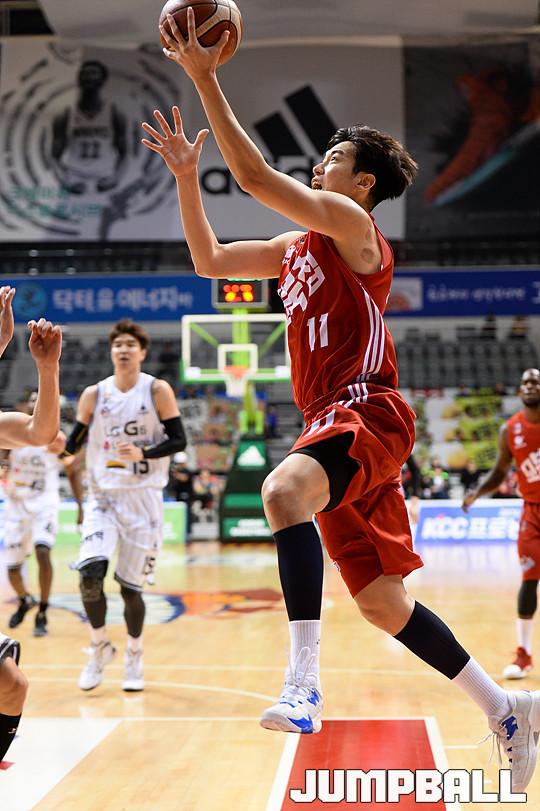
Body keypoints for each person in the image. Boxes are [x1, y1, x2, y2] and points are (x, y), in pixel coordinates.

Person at [142, 18, 540, 791]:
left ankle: (302, 683)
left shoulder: (357, 229)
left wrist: (204, 76)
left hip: (368, 410)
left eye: (335, 156)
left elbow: (255, 179)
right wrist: (188, 176)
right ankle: (507, 709)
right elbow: (210, 260)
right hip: (332, 418)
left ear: (362, 184)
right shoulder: (294, 250)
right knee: (385, 604)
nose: (322, 160)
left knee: (281, 490)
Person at [63, 319, 186, 692]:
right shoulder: (94, 394)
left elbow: (179, 440)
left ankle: (134, 653)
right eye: (118, 345)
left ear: (142, 352)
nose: (123, 350)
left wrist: (143, 453)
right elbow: (73, 441)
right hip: (102, 496)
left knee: (130, 589)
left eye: (131, 344)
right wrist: (61, 450)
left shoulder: (157, 390)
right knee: (89, 575)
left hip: (143, 498)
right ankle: (100, 645)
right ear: (111, 351)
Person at [0, 286, 62, 764]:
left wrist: (47, 368)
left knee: (13, 685)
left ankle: (36, 605)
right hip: (20, 506)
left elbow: (42, 433)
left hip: (38, 503)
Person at [463, 368, 540, 682]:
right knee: (529, 580)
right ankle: (524, 654)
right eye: (525, 382)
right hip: (532, 513)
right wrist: (476, 493)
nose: (530, 386)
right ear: (519, 391)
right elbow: (498, 472)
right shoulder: (510, 429)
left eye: (535, 381)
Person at [2, 393, 83, 638]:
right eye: (31, 399)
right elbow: (3, 461)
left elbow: (73, 469)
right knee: (13, 569)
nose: (34, 402)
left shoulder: (54, 438)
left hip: (44, 504)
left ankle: (43, 610)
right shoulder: (11, 432)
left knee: (43, 551)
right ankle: (25, 599)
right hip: (16, 505)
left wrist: (81, 506)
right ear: (24, 405)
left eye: (39, 398)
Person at [51, 60, 127, 195]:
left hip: (105, 175)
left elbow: (124, 153)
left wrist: (116, 178)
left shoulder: (114, 113)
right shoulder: (65, 115)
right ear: (78, 79)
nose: (89, 77)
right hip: (74, 175)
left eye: (93, 73)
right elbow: (54, 155)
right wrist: (63, 180)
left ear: (103, 79)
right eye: (85, 74)